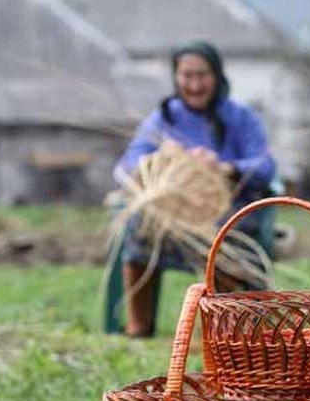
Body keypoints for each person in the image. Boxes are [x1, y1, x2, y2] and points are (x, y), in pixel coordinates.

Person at [114, 40, 277, 337]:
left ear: (217, 76)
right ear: (176, 78)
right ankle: (138, 326)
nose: (194, 84)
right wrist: (160, 160)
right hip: (175, 217)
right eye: (186, 76)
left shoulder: (240, 117)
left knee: (227, 234)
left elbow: (265, 167)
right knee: (140, 224)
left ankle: (227, 330)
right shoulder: (165, 118)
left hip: (228, 212)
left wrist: (225, 167)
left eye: (202, 75)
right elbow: (127, 164)